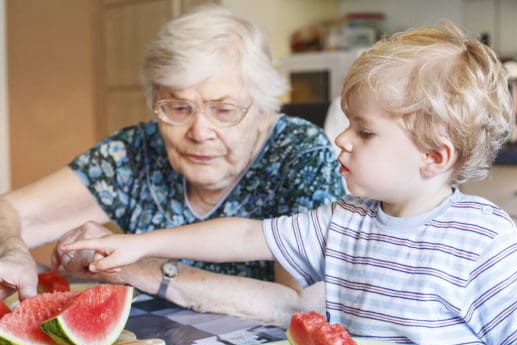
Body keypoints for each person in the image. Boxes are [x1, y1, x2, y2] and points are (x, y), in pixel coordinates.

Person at [62, 22, 517, 345]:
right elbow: (244, 237)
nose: (341, 141)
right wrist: (139, 244)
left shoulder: (476, 235)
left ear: (433, 157)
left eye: (364, 132)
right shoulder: (345, 218)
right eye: (347, 123)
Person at [0, 5, 345, 324]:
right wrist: (13, 250)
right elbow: (11, 211)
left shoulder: (301, 154)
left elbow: (300, 303)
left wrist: (137, 267)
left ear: (263, 110)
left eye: (223, 110)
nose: (199, 132)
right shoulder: (137, 150)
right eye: (178, 108)